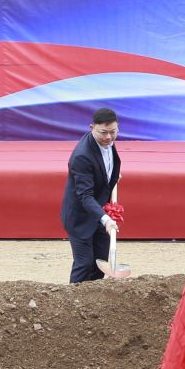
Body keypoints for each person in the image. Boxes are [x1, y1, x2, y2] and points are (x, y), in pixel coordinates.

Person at [61, 107, 123, 284]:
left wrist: (112, 176)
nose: (109, 137)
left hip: (100, 212)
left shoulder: (108, 141)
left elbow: (106, 166)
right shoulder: (82, 156)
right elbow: (85, 196)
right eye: (103, 132)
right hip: (80, 217)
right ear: (91, 128)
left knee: (100, 263)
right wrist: (107, 220)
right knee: (84, 264)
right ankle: (73, 297)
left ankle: (93, 297)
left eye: (113, 132)